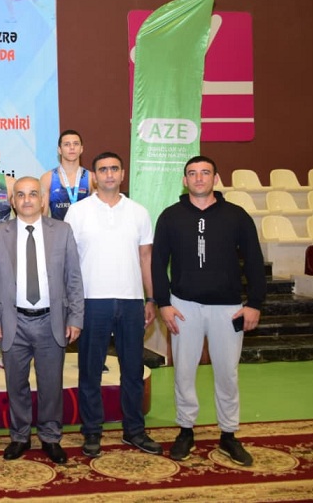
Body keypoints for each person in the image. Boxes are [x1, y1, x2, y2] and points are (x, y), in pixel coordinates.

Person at [152, 156, 266, 467]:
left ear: (216, 178)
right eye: (192, 173)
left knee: (227, 374)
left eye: (205, 173)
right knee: (184, 372)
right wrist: (164, 303)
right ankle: (185, 430)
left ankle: (228, 434)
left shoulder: (237, 216)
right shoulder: (170, 216)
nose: (199, 178)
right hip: (184, 307)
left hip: (228, 309)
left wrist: (255, 303)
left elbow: (254, 261)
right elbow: (158, 263)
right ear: (184, 180)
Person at [64, 152, 162, 458]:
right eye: (103, 169)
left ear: (122, 174)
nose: (109, 174)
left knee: (132, 369)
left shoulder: (139, 212)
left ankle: (135, 430)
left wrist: (151, 298)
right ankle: (92, 431)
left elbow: (146, 258)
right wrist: (72, 304)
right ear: (94, 176)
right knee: (90, 371)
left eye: (114, 169)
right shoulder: (77, 212)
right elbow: (68, 263)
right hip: (91, 302)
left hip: (132, 302)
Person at [0, 176, 84, 464]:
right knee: (16, 384)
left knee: (51, 385)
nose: (27, 200)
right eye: (21, 195)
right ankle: (20, 436)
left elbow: (73, 277)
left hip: (52, 321)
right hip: (13, 321)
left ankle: (51, 437)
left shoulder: (62, 231)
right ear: (13, 202)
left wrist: (76, 317)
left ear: (43, 200)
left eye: (33, 194)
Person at [41, 129, 94, 221]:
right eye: (67, 144)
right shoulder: (47, 178)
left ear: (81, 149)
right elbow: (43, 218)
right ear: (59, 150)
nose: (72, 147)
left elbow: (96, 213)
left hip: (84, 230)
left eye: (76, 144)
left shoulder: (91, 178)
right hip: (57, 229)